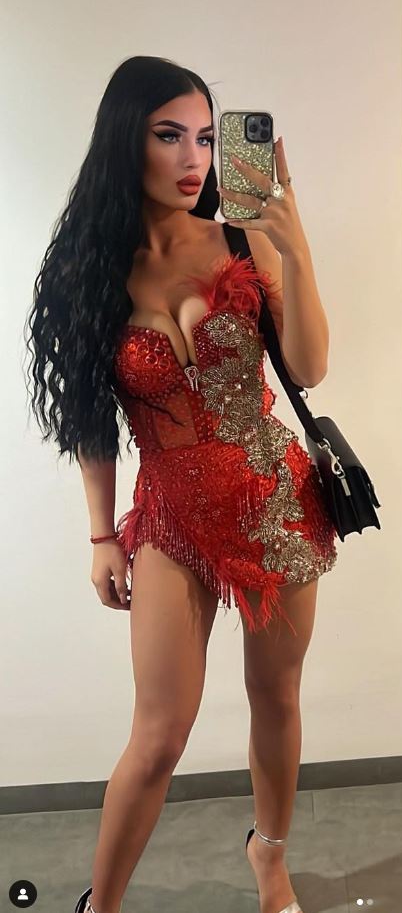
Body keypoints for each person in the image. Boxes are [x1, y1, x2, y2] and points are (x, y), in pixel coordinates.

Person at [24, 55, 338, 913]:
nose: (193, 158)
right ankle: (101, 904)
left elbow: (309, 367)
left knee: (275, 696)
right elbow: (89, 418)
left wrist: (293, 243)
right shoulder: (90, 270)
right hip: (169, 516)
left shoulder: (242, 237)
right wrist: (100, 535)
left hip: (276, 499)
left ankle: (269, 860)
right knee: (159, 735)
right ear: (127, 140)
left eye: (205, 137)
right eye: (169, 136)